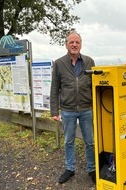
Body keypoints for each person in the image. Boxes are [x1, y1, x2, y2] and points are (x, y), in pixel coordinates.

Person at [50, 31, 96, 184]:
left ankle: (92, 169)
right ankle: (70, 168)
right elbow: (54, 88)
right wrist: (54, 111)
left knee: (89, 141)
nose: (74, 45)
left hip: (86, 108)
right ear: (66, 45)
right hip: (68, 110)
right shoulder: (59, 63)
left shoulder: (89, 62)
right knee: (68, 141)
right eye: (71, 42)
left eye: (77, 42)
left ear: (81, 44)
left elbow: (95, 86)